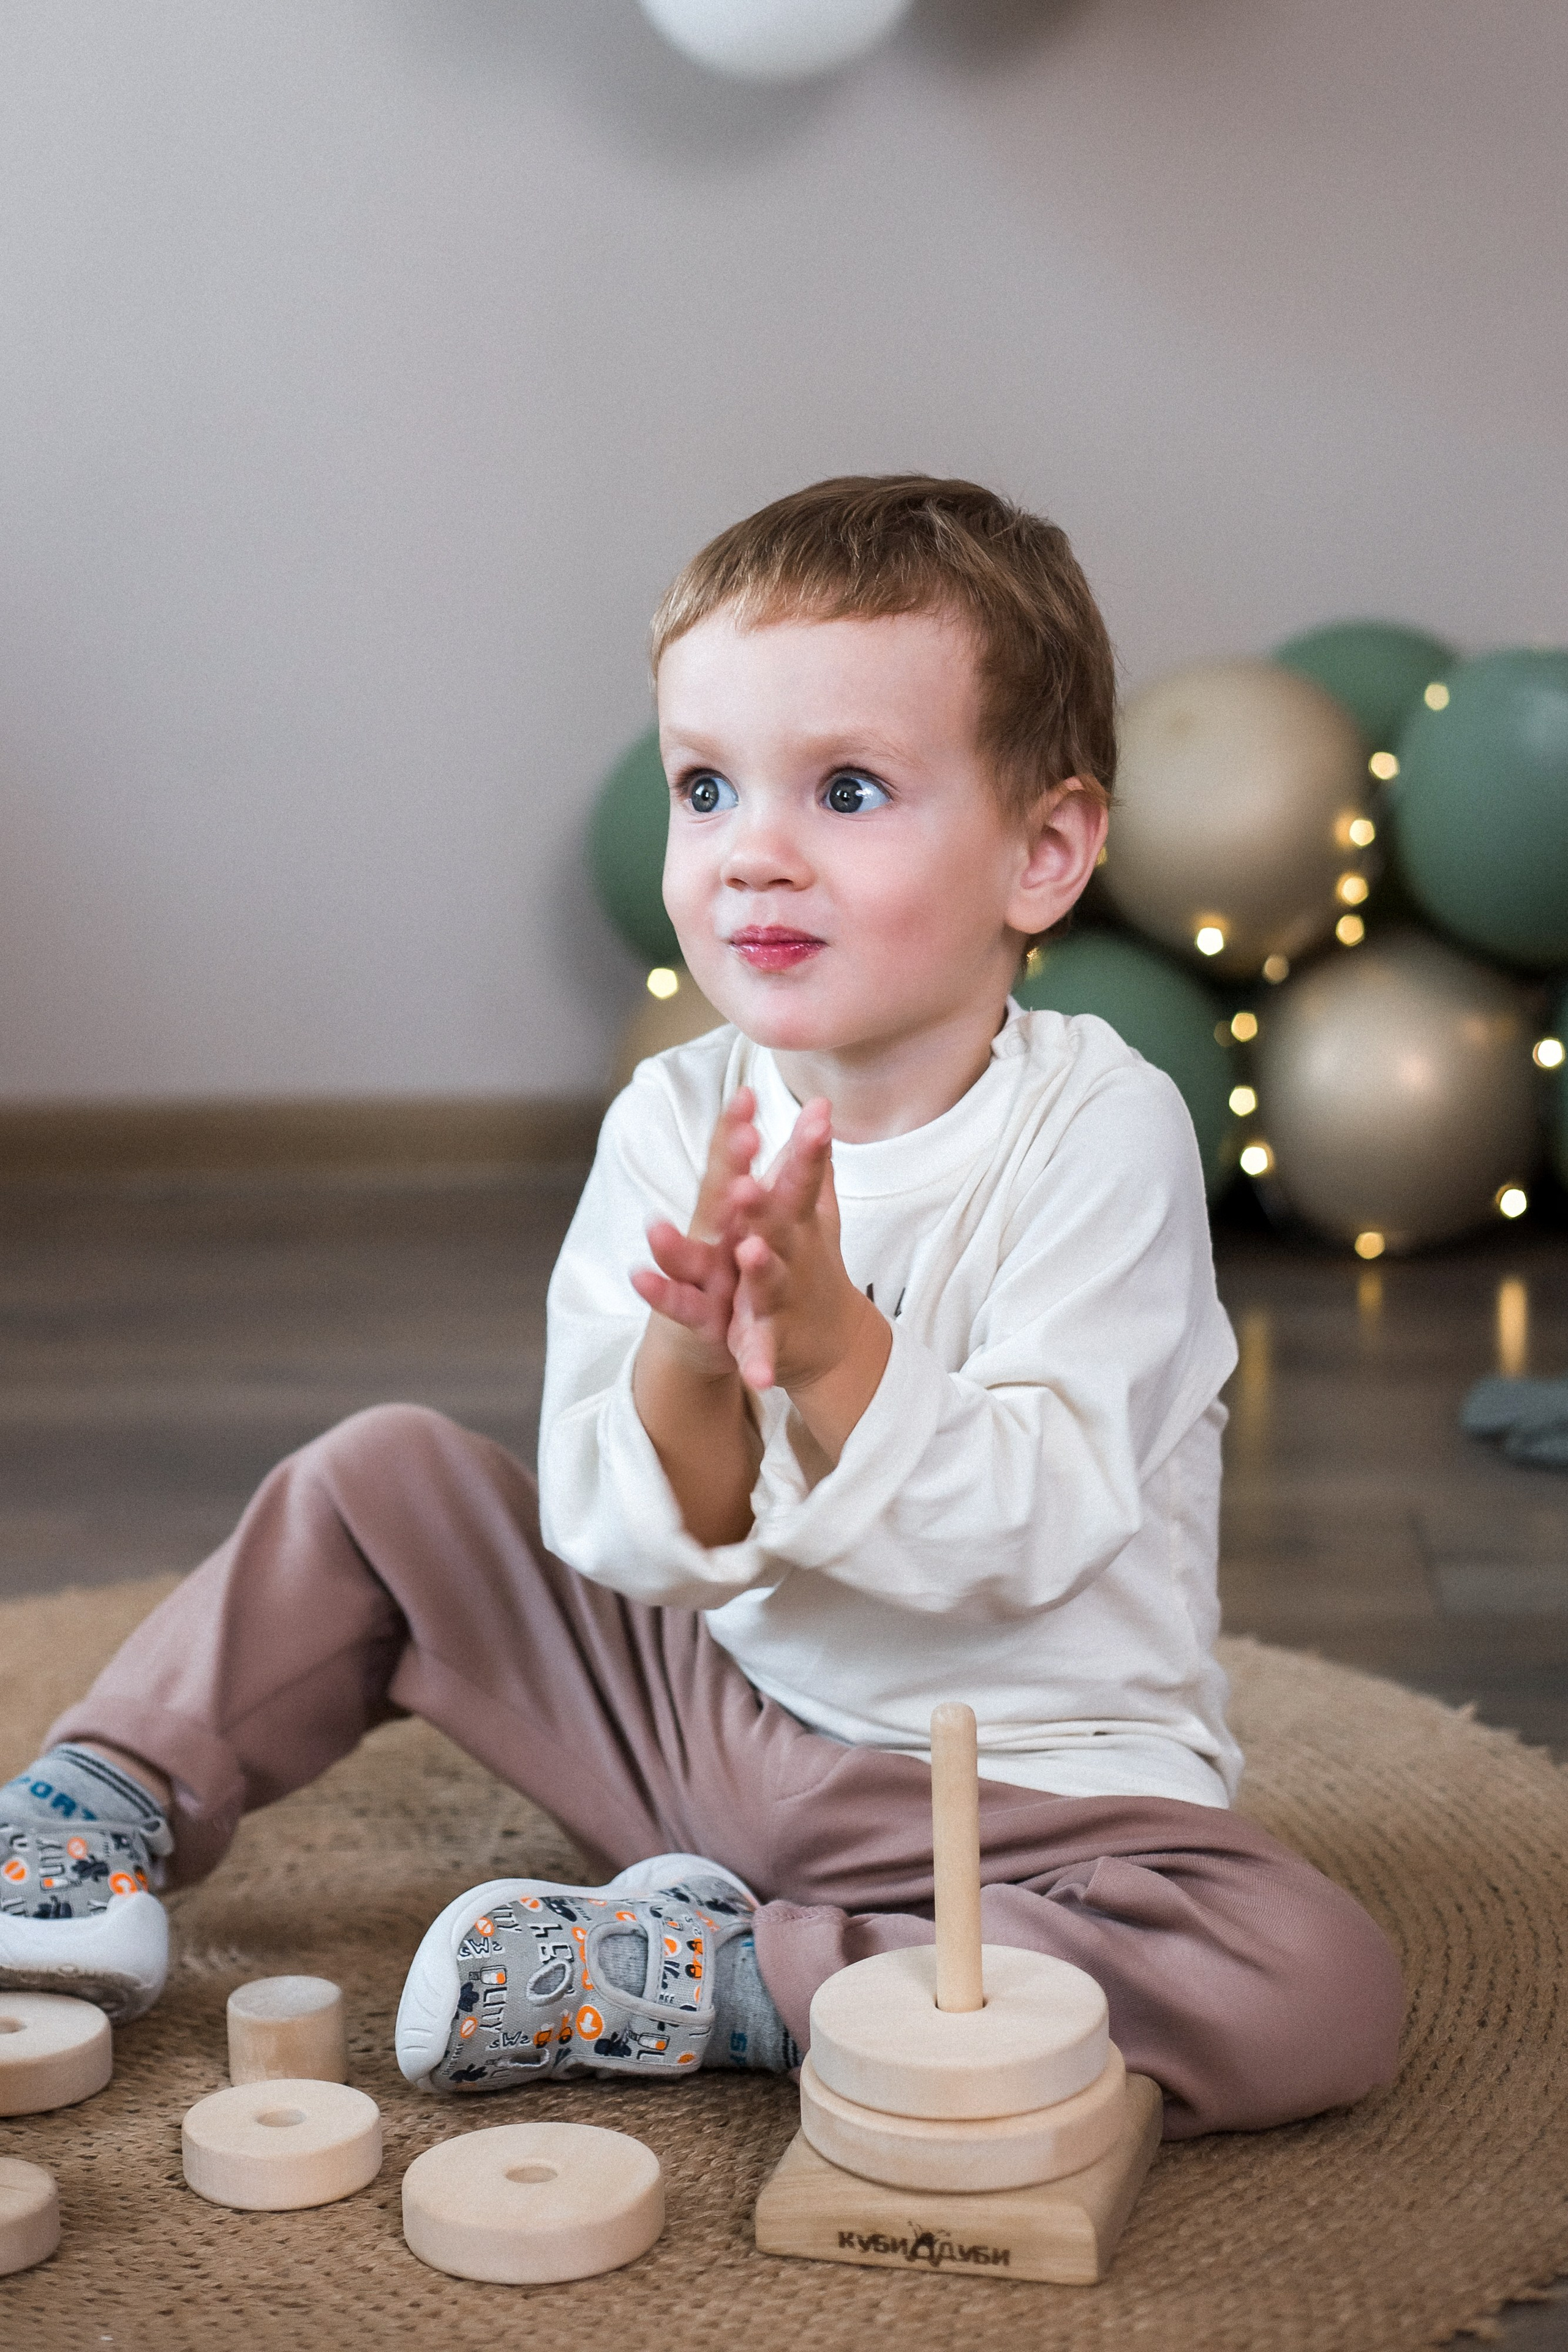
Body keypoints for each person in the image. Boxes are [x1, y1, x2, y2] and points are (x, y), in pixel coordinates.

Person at [1, 477, 1403, 2136]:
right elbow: (628, 1535)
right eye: (706, 787)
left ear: (1042, 854)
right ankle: (89, 1816)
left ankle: (724, 1976)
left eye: (850, 790)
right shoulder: (676, 1117)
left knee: (1314, 1980)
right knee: (383, 1481)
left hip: (1010, 1804)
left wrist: (833, 1347)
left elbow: (1034, 1528)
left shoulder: (1103, 1129)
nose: (754, 853)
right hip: (703, 1713)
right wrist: (687, 1363)